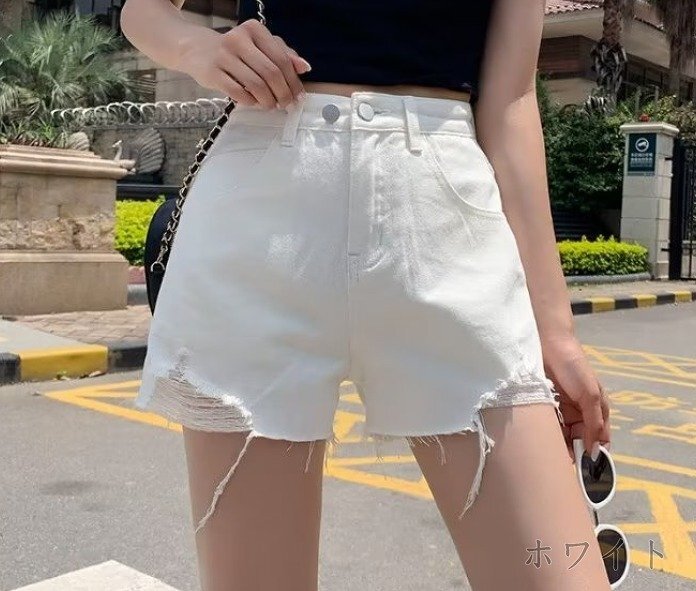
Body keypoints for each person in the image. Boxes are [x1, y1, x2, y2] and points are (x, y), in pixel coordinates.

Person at [120, 1, 613, 589]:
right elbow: (143, 10)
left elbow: (510, 101)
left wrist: (556, 331)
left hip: (446, 220)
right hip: (263, 206)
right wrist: (199, 47)